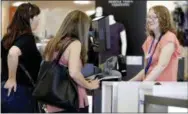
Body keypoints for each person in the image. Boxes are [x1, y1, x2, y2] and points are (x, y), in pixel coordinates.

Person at [43, 10, 100, 113]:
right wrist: (89, 85)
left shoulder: (53, 43)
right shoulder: (75, 44)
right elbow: (73, 73)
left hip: (53, 100)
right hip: (71, 100)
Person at [1, 3, 42, 113]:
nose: (38, 20)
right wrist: (12, 78)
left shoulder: (7, 38)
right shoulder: (27, 38)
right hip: (21, 92)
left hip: (5, 90)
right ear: (29, 19)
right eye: (36, 17)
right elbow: (13, 53)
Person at [130, 5, 181, 81]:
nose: (150, 20)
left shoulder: (169, 37)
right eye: (149, 17)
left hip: (163, 89)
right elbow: (147, 70)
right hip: (148, 88)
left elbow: (161, 66)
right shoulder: (149, 40)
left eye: (154, 17)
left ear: (164, 19)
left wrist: (143, 84)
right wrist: (129, 82)